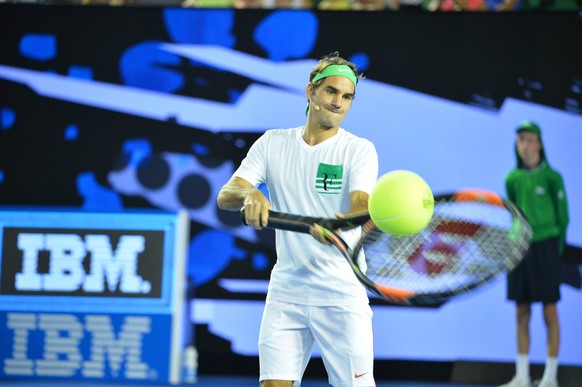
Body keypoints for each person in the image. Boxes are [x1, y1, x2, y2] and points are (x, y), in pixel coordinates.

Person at [217, 52, 378, 387]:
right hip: (287, 291)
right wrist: (250, 194)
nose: (339, 103)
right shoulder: (272, 143)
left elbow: (361, 207)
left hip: (341, 295)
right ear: (311, 92)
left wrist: (336, 224)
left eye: (347, 97)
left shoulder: (359, 150)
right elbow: (226, 195)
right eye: (331, 92)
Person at [499, 121, 569, 387]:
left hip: (547, 247)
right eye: (521, 140)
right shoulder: (511, 179)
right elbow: (514, 213)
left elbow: (564, 218)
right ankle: (522, 377)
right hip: (520, 247)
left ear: (539, 144)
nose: (525, 145)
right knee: (521, 312)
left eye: (530, 139)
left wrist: (555, 252)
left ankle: (550, 378)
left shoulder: (553, 178)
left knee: (549, 312)